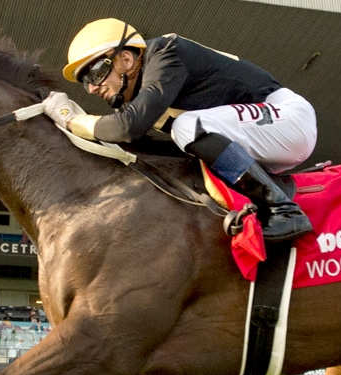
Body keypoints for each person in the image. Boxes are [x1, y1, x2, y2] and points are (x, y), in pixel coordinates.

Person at [48, 18, 315, 243]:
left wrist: (71, 120)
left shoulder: (165, 52)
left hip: (286, 117)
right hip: (263, 135)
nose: (92, 88)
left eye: (94, 74)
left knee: (186, 127)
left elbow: (128, 127)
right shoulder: (139, 93)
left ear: (126, 59)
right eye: (85, 82)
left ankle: (284, 210)